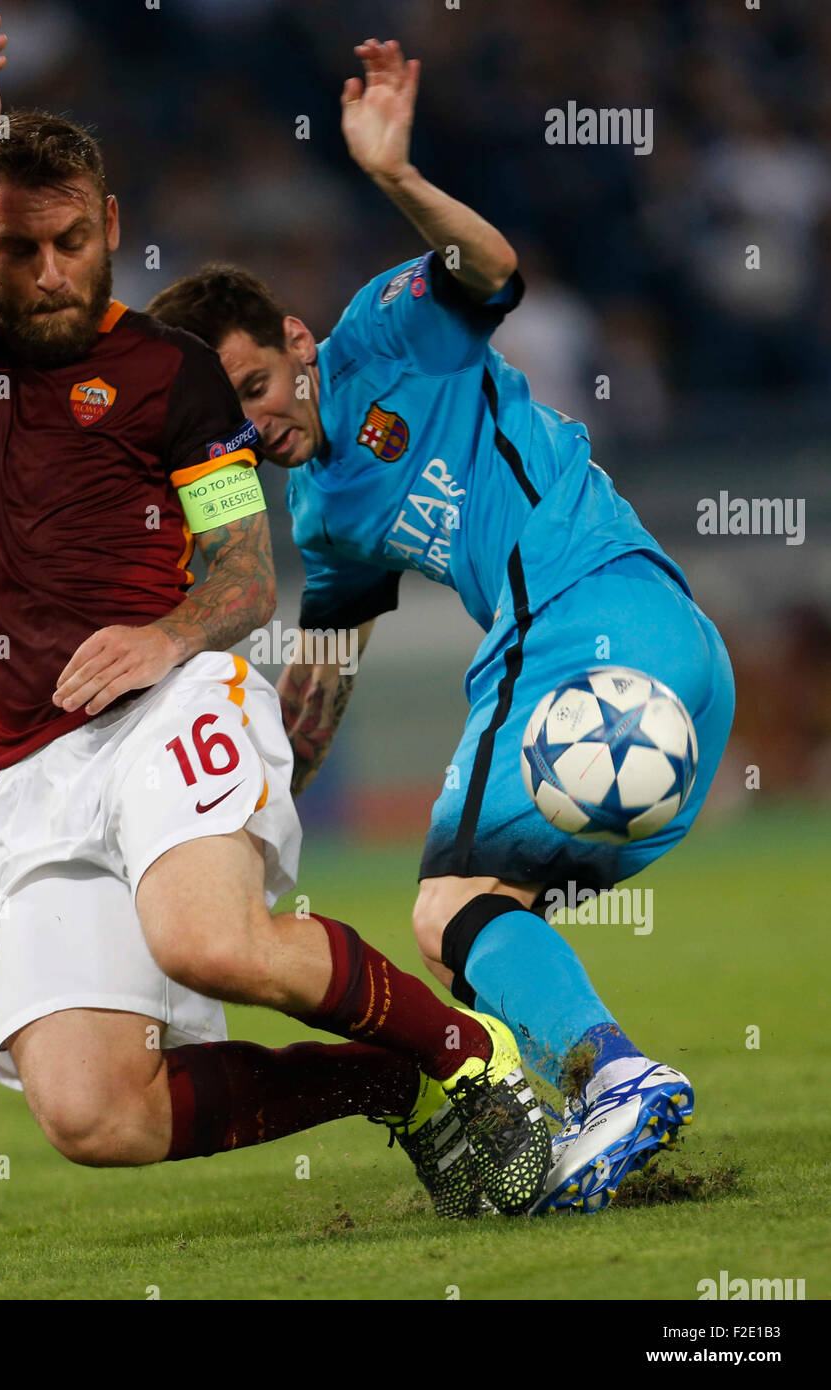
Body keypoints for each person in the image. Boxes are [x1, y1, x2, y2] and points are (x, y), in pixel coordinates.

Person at [0, 12, 551, 1219]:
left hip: (172, 702)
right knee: (93, 1114)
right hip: (30, 768)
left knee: (207, 940)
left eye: (74, 240)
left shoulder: (172, 374)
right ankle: (384, 1079)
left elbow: (238, 575)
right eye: (22, 250)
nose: (54, 270)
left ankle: (472, 1059)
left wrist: (163, 639)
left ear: (112, 226)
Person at [146, 38, 736, 1213]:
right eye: (228, 417)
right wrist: (251, 823)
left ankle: (616, 1077)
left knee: (445, 902)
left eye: (258, 389)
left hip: (581, 616)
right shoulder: (321, 514)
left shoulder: (386, 328)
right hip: (666, 657)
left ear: (300, 345)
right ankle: (599, 1091)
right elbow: (321, 676)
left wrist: (394, 178)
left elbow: (493, 264)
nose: (255, 428)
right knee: (468, 914)